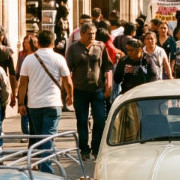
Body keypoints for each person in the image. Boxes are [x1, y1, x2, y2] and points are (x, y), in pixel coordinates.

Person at [18, 29, 74, 167]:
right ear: (53, 43)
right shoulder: (59, 58)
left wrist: (21, 103)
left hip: (34, 105)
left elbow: (23, 84)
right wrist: (70, 96)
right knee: (48, 137)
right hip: (53, 103)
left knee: (40, 138)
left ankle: (45, 166)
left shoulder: (28, 59)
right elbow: (67, 81)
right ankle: (47, 169)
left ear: (38, 44)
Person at [66, 23, 113, 160]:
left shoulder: (100, 46)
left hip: (97, 90)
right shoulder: (74, 49)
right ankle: (84, 150)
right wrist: (67, 93)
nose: (92, 36)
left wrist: (108, 84)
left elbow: (107, 66)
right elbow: (67, 70)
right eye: (89, 33)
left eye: (93, 33)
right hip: (80, 91)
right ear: (82, 34)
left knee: (100, 120)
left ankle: (96, 148)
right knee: (82, 120)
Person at [15, 34, 39, 135]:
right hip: (23, 82)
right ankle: (26, 133)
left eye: (27, 43)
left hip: (34, 84)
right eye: (24, 43)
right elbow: (18, 69)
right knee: (23, 109)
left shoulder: (38, 54)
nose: (25, 45)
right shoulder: (21, 54)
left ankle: (33, 132)